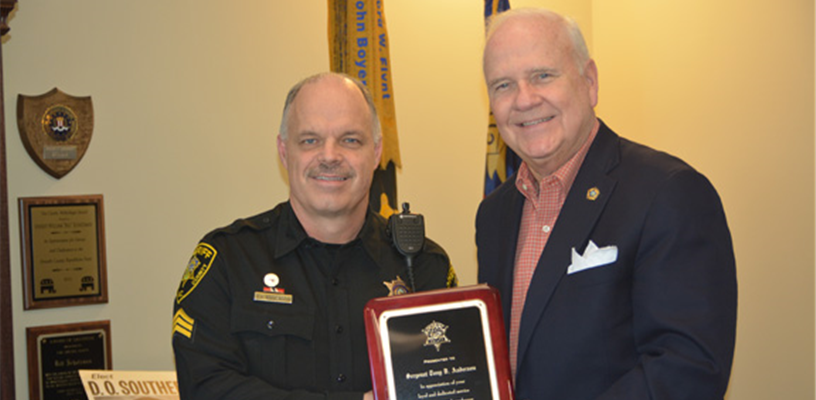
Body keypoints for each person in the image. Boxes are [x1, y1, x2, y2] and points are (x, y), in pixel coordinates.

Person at [476, 8, 737, 400]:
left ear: (590, 81)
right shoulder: (493, 214)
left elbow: (687, 369)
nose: (524, 99)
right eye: (503, 85)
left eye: (543, 75)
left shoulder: (668, 192)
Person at [172, 72, 457, 400]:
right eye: (310, 140)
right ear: (284, 151)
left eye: (350, 140)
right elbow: (205, 388)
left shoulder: (424, 267)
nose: (330, 156)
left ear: (377, 152)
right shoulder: (228, 261)